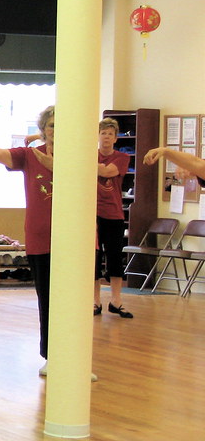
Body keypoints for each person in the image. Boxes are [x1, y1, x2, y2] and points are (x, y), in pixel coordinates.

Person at [0, 106, 95, 381]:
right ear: (44, 130)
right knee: (48, 300)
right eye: (51, 127)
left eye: (61, 127)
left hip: (75, 241)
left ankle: (78, 359)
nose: (55, 132)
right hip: (40, 240)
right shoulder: (28, 156)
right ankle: (51, 356)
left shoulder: (80, 156)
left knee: (77, 303)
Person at [94, 118, 132, 318]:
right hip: (92, 214)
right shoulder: (92, 155)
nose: (106, 137)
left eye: (110, 134)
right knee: (94, 259)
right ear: (98, 136)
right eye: (103, 133)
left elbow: (108, 171)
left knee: (115, 257)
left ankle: (116, 301)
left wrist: (86, 161)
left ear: (116, 138)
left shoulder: (122, 158)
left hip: (114, 214)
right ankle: (95, 301)